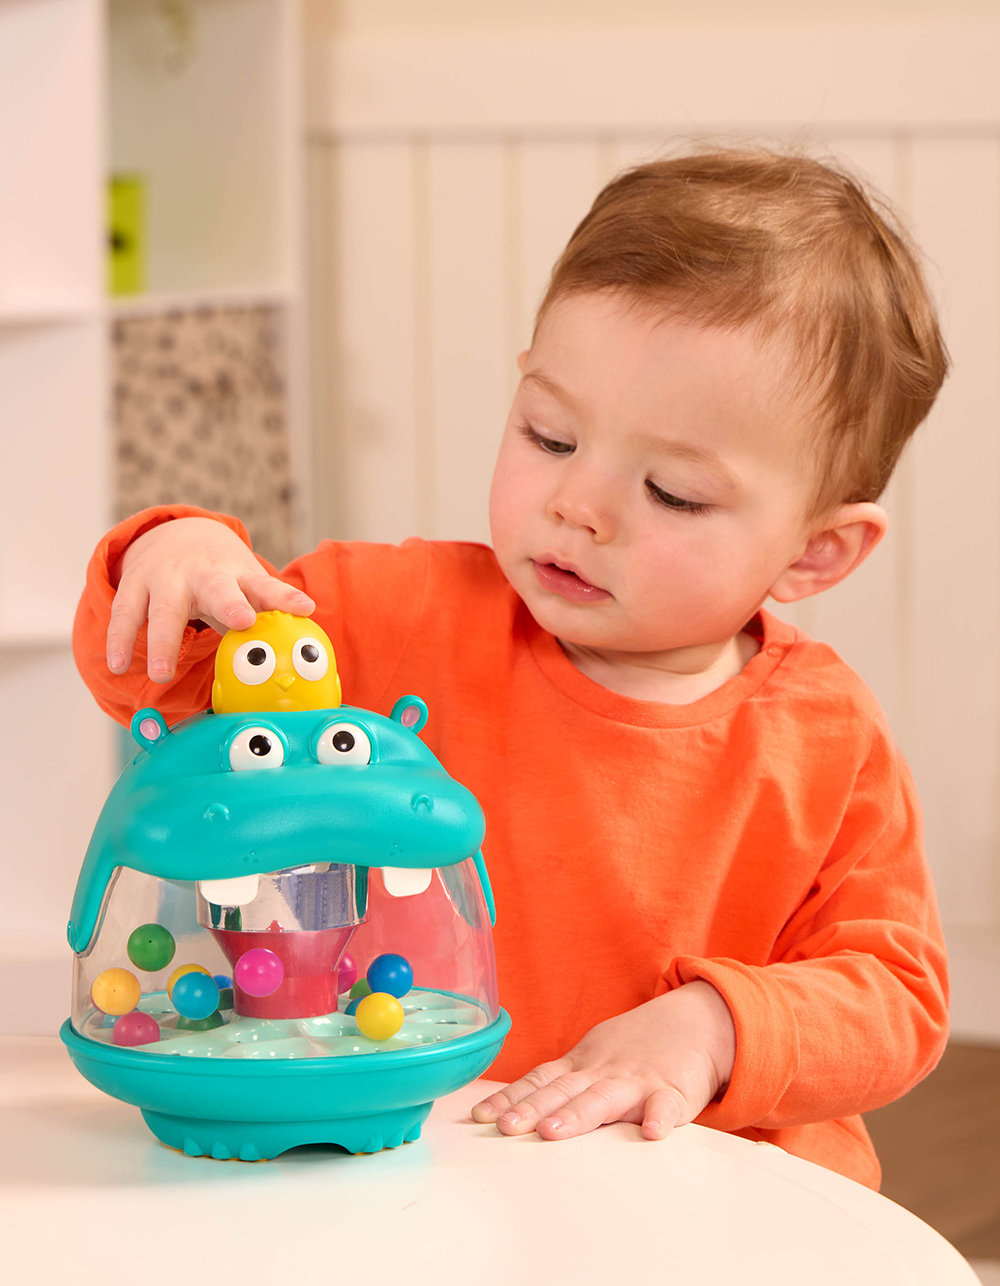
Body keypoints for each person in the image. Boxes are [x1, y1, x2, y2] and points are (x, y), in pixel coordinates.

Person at [72, 149, 950, 1189]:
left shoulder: (826, 734)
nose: (579, 505)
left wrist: (715, 1026)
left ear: (815, 551)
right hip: (412, 1162)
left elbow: (896, 995)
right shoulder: (385, 612)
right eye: (550, 435)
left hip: (706, 1189)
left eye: (671, 492)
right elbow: (164, 684)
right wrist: (179, 557)